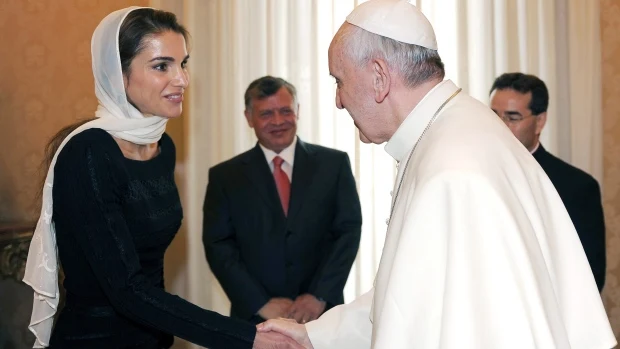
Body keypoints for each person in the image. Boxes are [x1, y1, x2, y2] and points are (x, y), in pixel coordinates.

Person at [257, 0, 616, 348]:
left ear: (379, 77)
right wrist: (317, 336)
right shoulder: (453, 130)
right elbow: (407, 293)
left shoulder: (453, 170)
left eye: (340, 81)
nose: (339, 100)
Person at [22, 7, 301, 349]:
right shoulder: (87, 154)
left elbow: (152, 271)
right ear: (118, 74)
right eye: (161, 66)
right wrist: (247, 337)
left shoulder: (162, 147)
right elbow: (127, 289)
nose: (182, 79)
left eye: (182, 63)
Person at [203, 76, 362, 325]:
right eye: (266, 114)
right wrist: (260, 303)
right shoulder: (225, 177)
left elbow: (348, 232)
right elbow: (219, 245)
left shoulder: (334, 165)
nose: (278, 122)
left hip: (323, 315)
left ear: (297, 111)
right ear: (248, 117)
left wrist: (319, 295)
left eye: (285, 111)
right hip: (256, 319)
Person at [490, 72, 607, 292]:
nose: (500, 125)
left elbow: (590, 276)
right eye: (494, 115)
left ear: (540, 121)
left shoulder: (577, 187)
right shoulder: (473, 173)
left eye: (512, 117)